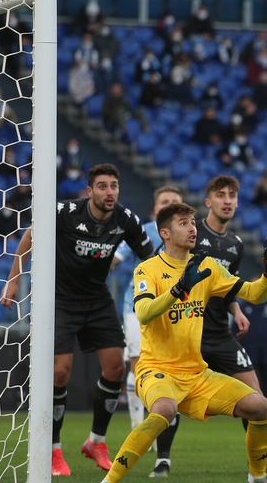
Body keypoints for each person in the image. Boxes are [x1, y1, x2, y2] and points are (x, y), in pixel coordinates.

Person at [98, 202, 267, 483]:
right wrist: (178, 289)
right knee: (164, 409)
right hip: (155, 370)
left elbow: (253, 294)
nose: (192, 228)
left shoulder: (205, 266)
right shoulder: (147, 270)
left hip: (196, 374)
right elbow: (144, 312)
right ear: (165, 232)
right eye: (183, 223)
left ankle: (257, 477)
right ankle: (109, 481)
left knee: (260, 407)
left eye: (193, 223)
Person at [0, 164, 155, 476]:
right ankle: (53, 450)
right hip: (61, 300)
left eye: (114, 186)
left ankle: (96, 441)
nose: (109, 192)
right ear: (90, 191)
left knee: (115, 367)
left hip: (97, 299)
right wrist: (13, 280)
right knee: (60, 372)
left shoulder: (126, 219)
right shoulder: (66, 212)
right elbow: (30, 235)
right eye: (102, 186)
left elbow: (150, 258)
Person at [150, 175, 267, 476]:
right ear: (208, 202)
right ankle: (162, 459)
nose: (227, 200)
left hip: (218, 331)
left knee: (256, 398)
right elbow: (164, 270)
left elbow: (226, 285)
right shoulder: (190, 232)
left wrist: (236, 310)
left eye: (233, 195)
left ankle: (261, 460)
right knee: (171, 396)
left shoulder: (235, 244)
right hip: (187, 330)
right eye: (221, 195)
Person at [112, 185, 184, 435]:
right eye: (165, 201)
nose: (170, 205)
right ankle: (138, 430)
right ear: (155, 209)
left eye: (175, 201)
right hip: (137, 307)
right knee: (138, 364)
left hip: (173, 310)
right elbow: (114, 260)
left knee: (166, 370)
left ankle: (158, 426)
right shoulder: (141, 232)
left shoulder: (189, 236)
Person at [232, 300, 267, 398]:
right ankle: (249, 401)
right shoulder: (244, 306)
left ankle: (266, 402)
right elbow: (234, 328)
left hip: (266, 348)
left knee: (265, 376)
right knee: (249, 376)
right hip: (248, 347)